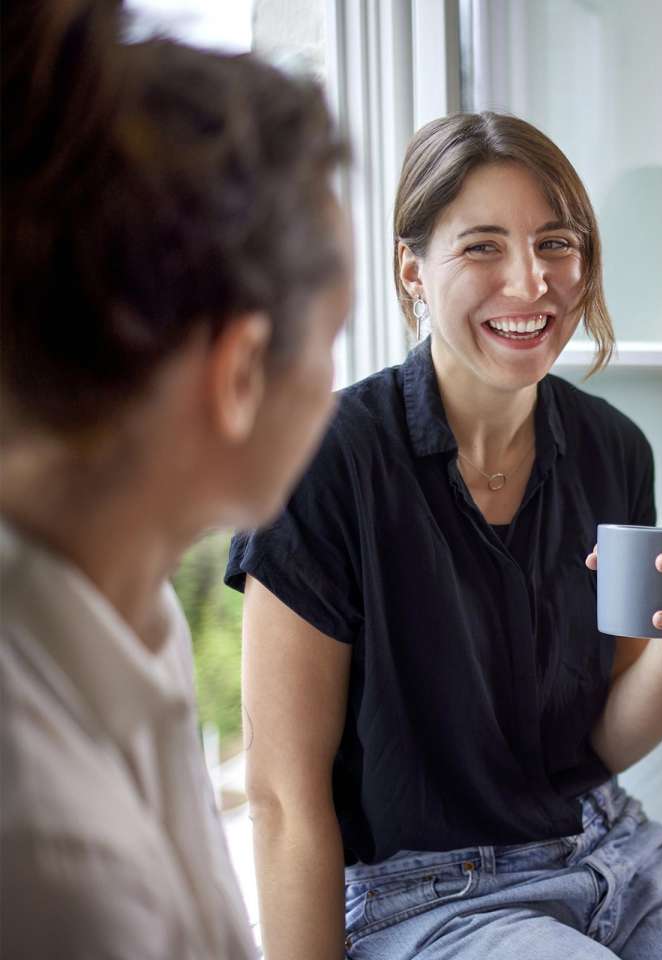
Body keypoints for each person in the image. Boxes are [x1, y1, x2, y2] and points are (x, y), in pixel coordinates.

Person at [227, 111, 662, 959]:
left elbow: (606, 740)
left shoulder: (615, 449)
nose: (531, 283)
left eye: (555, 243)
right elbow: (283, 798)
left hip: (610, 850)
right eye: (482, 247)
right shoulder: (324, 462)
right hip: (423, 898)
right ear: (413, 271)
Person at [0, 1, 353, 957]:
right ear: (240, 375)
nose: (338, 384)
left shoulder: (124, 617)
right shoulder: (55, 869)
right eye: (333, 338)